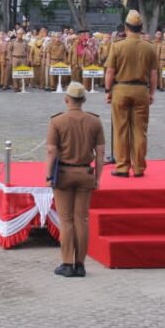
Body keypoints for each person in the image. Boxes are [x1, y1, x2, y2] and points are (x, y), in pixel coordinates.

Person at [46, 82, 104, 278]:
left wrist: (48, 174)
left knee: (66, 220)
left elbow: (52, 150)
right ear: (84, 100)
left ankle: (67, 263)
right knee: (82, 219)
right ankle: (80, 264)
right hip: (85, 173)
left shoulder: (57, 121)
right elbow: (101, 152)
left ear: (66, 99)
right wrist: (98, 177)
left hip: (63, 174)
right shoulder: (94, 121)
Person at [104, 10, 157, 177]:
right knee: (140, 130)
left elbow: (110, 71)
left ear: (126, 27)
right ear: (141, 28)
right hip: (141, 90)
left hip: (121, 89)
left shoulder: (117, 45)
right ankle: (139, 167)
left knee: (121, 129)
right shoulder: (149, 47)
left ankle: (122, 167)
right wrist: (151, 93)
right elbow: (154, 74)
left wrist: (108, 90)